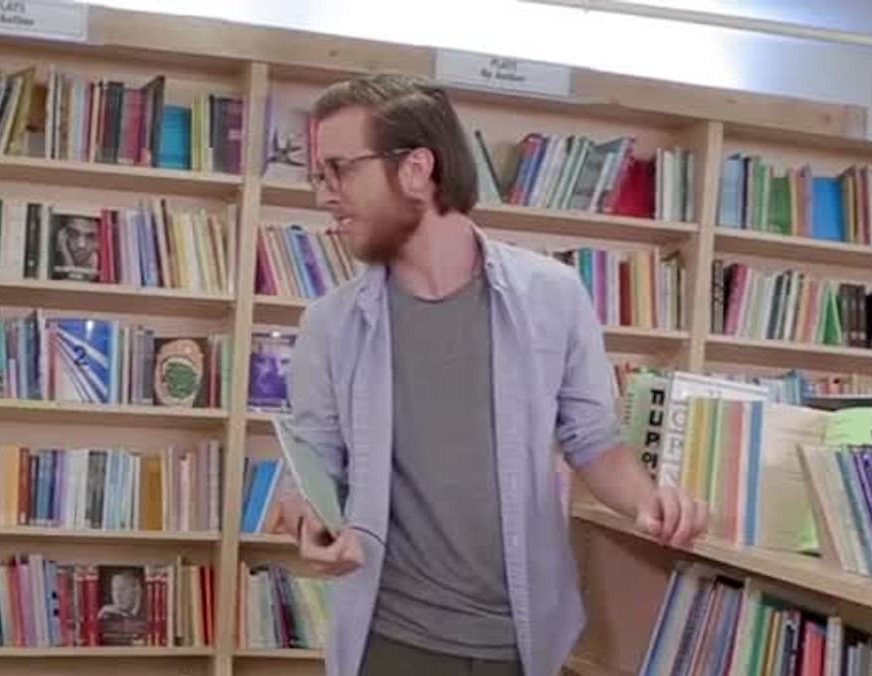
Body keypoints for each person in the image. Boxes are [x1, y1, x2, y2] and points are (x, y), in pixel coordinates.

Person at [271, 73, 709, 676]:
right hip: (391, 638)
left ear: (417, 169)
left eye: (339, 170)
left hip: (523, 639)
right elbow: (311, 467)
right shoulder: (329, 324)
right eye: (319, 176)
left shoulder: (553, 296)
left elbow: (593, 441)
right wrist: (310, 527)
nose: (325, 195)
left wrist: (649, 501)